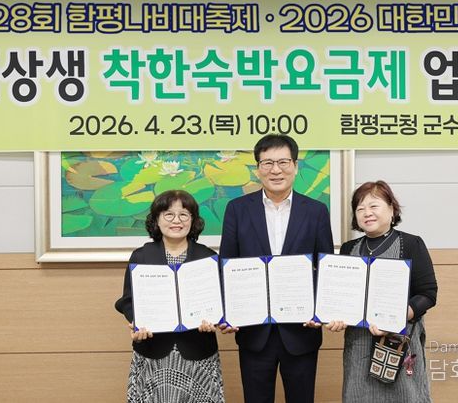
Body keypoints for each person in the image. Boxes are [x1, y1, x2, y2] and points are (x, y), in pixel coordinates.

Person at [219, 134, 334, 403]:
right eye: (268, 163)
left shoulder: (316, 211)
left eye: (283, 162)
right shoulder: (237, 209)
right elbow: (227, 266)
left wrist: (321, 311)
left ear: (295, 165)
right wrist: (228, 312)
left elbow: (325, 267)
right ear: (258, 168)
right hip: (254, 332)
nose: (276, 170)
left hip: (301, 330)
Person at [326, 180, 438, 403]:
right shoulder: (348, 249)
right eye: (360, 208)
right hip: (359, 345)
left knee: (406, 397)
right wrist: (336, 316)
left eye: (373, 206)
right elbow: (342, 296)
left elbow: (428, 294)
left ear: (392, 208)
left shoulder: (411, 243)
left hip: (398, 343)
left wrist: (396, 317)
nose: (366, 213)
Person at [115, 190, 224, 403]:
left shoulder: (208, 257)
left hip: (198, 350)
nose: (176, 220)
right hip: (153, 351)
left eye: (184, 214)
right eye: (168, 214)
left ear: (193, 220)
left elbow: (220, 300)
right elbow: (128, 300)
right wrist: (137, 321)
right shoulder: (141, 256)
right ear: (157, 219)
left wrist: (215, 319)